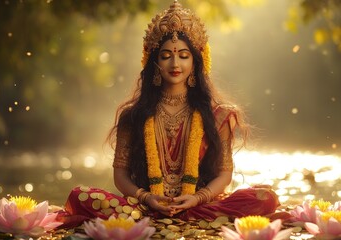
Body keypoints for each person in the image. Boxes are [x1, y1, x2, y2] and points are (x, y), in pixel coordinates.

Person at [58, 0, 280, 228]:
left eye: (184, 55)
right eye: (166, 56)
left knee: (264, 198)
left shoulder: (218, 115)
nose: (175, 63)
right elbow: (120, 177)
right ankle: (167, 216)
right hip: (144, 207)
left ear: (195, 62)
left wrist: (196, 198)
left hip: (198, 204)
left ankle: (188, 213)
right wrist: (147, 197)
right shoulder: (133, 115)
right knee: (79, 195)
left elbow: (224, 175)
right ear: (154, 63)